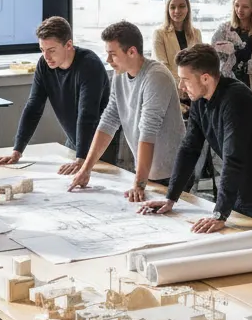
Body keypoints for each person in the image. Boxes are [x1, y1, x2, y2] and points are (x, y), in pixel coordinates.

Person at [139, 44, 252, 232]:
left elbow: (233, 158)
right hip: (239, 193)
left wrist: (219, 213)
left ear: (205, 78)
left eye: (185, 80)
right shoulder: (200, 100)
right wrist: (171, 197)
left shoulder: (236, 99)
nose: (181, 86)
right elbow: (190, 148)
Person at [68, 20, 185, 202]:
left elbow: (148, 131)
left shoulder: (156, 77)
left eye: (112, 54)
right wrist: (86, 169)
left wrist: (139, 184)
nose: (108, 60)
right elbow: (108, 120)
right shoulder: (119, 75)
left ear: (132, 51)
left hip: (172, 174)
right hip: (148, 172)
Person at [0, 16, 111, 176]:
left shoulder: (89, 65)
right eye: (42, 50)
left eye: (52, 50)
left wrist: (82, 158)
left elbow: (87, 114)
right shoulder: (44, 65)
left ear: (68, 45)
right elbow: (33, 107)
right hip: (76, 141)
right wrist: (17, 150)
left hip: (103, 145)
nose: (46, 56)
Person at [153, 0, 202, 81]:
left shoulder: (196, 33)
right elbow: (162, 66)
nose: (177, 11)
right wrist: (183, 84)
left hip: (193, 87)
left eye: (182, 6)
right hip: (169, 85)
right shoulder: (159, 34)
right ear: (168, 10)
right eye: (172, 7)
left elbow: (199, 64)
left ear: (188, 9)